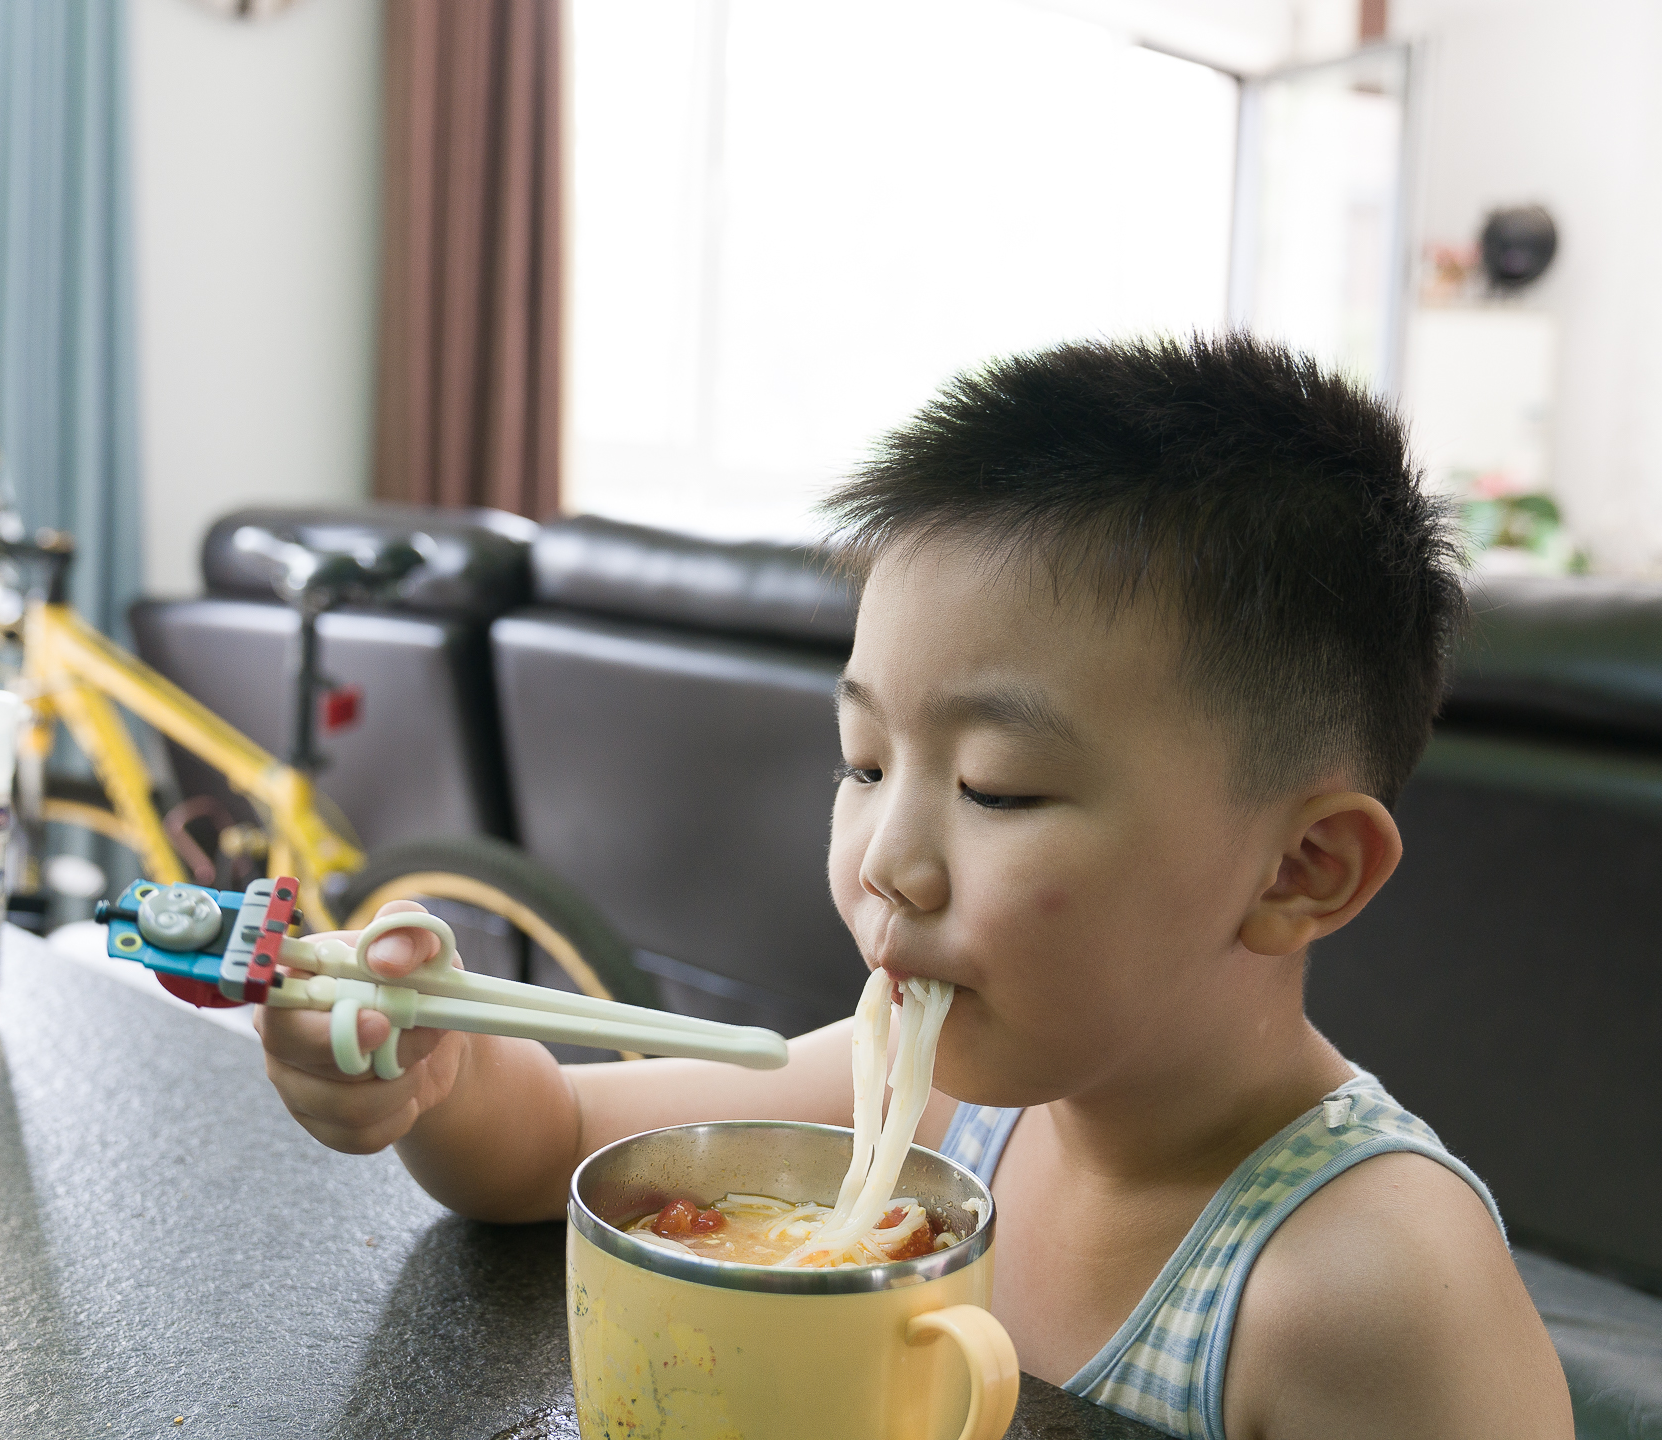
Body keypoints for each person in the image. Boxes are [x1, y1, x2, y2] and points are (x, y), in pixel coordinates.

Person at [258, 334, 1573, 1439]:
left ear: (1299, 870)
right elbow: (549, 1146)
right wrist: (434, 1066)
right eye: (865, 762)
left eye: (998, 786)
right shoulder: (928, 1092)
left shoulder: (1370, 1286)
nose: (885, 859)